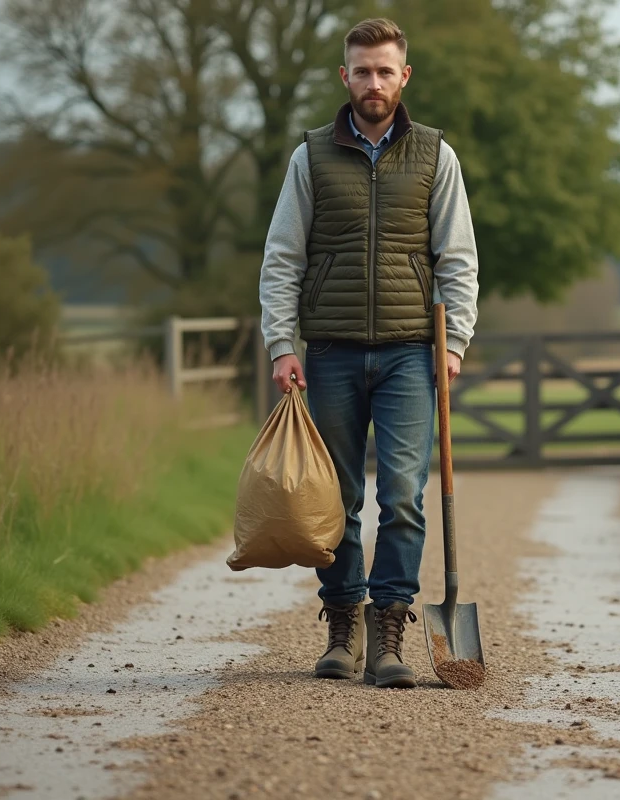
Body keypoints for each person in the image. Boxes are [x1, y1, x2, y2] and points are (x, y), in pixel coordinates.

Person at [258, 17, 479, 689]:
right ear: (344, 76)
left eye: (385, 70)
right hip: (328, 352)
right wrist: (280, 342)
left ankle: (390, 631)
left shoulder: (436, 155)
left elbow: (458, 260)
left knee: (404, 497)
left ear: (403, 76)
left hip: (413, 354)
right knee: (339, 495)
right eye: (362, 70)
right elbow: (282, 258)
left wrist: (456, 341)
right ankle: (342, 625)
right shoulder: (311, 156)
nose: (373, 82)